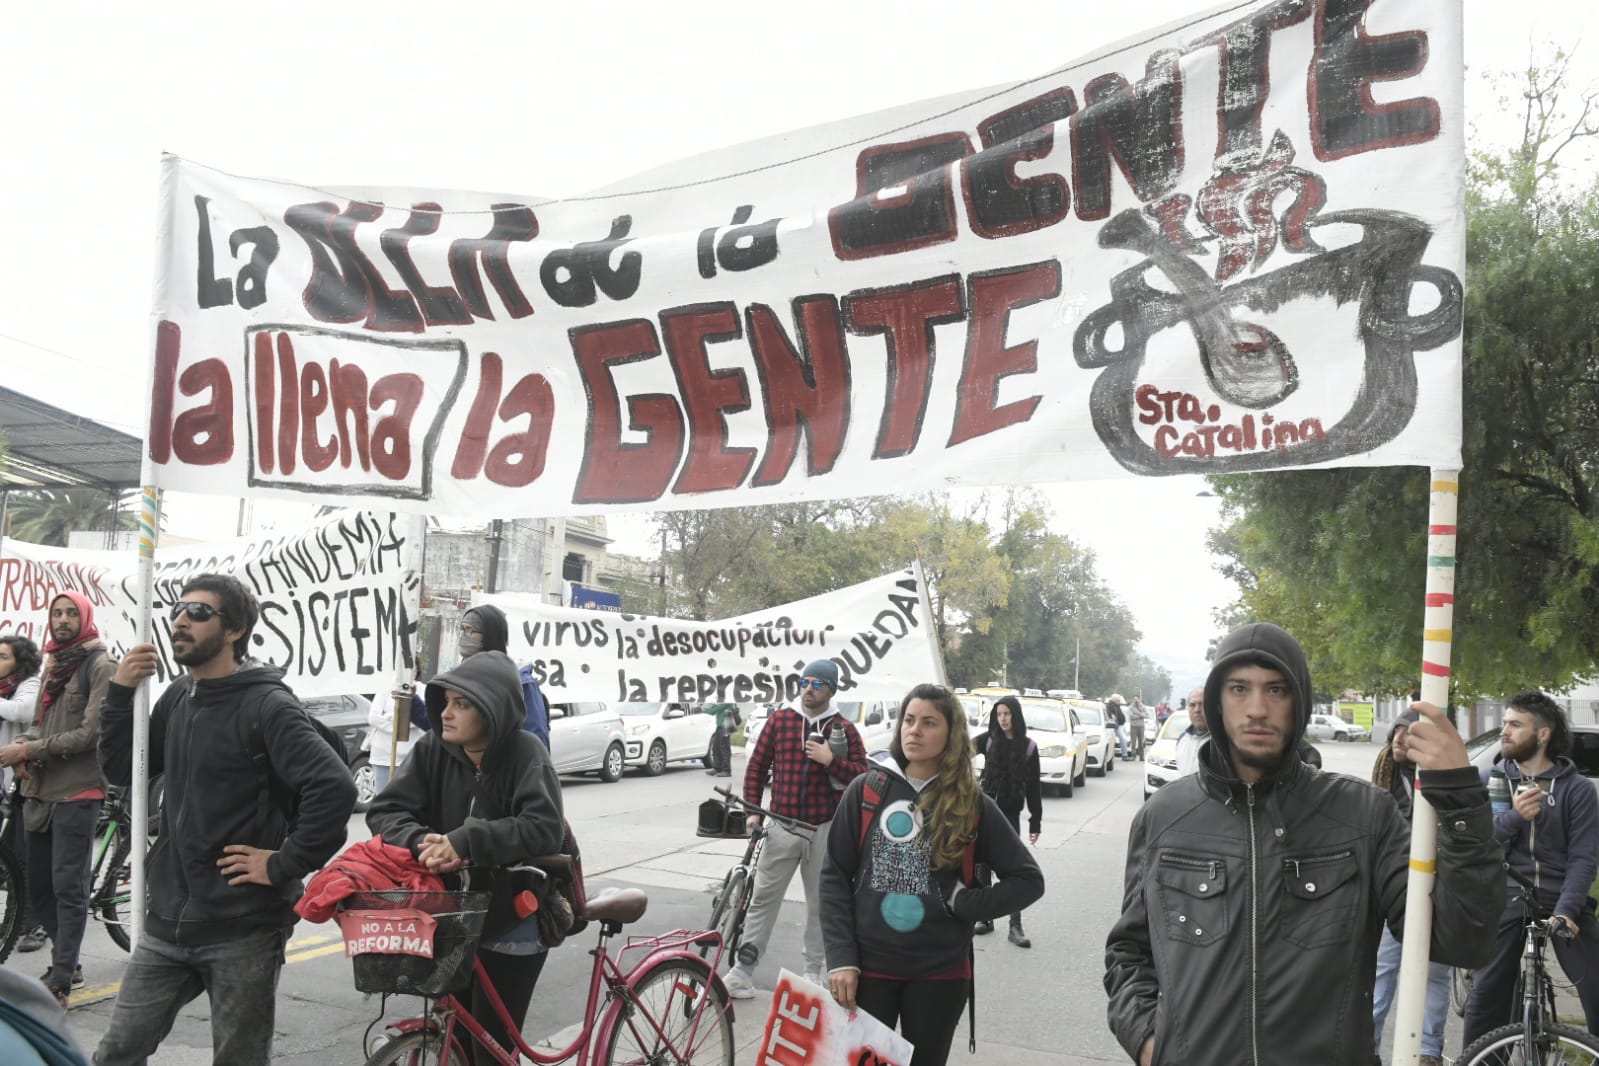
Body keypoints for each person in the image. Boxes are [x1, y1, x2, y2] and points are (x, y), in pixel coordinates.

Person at [1105, 622, 1504, 1066]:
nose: (1257, 708)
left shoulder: (1363, 817)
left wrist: (1462, 802)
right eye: (1240, 689)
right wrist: (1147, 1041)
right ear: (1217, 701)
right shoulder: (1164, 817)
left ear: (1300, 703)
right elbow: (1129, 952)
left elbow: (1460, 943)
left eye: (1276, 690)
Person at [94, 574, 356, 1066]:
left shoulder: (267, 705)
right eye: (178, 609)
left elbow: (335, 787)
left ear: (234, 629)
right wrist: (119, 692)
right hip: (166, 926)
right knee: (116, 1052)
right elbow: (122, 768)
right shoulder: (178, 695)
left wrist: (283, 864)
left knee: (238, 1060)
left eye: (198, 612)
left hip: (244, 930)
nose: (180, 620)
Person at [821, 684, 1044, 1066]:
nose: (914, 731)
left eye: (928, 723)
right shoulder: (866, 790)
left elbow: (1028, 880)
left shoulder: (972, 803)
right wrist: (841, 959)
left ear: (951, 734)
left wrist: (966, 903)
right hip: (868, 970)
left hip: (939, 975)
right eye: (909, 720)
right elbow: (834, 878)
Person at [366, 650, 565, 1066]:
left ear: (491, 710)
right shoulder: (432, 751)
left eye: (461, 704)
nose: (445, 713)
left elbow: (544, 828)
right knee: (453, 1035)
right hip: (449, 913)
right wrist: (422, 842)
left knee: (490, 1050)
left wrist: (467, 840)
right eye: (445, 703)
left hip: (512, 915)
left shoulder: (526, 753)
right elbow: (385, 811)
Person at [727, 659, 869, 998]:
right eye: (805, 682)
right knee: (763, 899)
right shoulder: (781, 721)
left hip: (826, 830)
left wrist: (830, 761)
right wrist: (753, 813)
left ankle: (812, 973)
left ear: (831, 689)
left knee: (822, 905)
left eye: (817, 683)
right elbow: (757, 767)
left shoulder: (844, 729)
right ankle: (742, 970)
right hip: (782, 826)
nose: (808, 689)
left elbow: (865, 777)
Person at [1464, 691, 1599, 1043]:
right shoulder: (1493, 781)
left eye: (1515, 724)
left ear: (1543, 734)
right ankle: (1483, 1058)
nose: (1505, 730)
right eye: (1505, 722)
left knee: (1595, 984)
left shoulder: (1578, 790)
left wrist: (1568, 911)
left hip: (1561, 898)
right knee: (1488, 992)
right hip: (1507, 896)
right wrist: (1515, 818)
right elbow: (1481, 846)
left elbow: (1584, 856)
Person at [0, 592, 114, 1008]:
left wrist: (28, 751)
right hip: (40, 791)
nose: (62, 620)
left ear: (84, 618)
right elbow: (36, 725)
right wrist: (21, 753)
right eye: (56, 613)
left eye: (70, 613)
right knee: (39, 887)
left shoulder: (100, 665)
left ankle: (63, 977)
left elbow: (89, 735)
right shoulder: (53, 664)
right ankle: (71, 961)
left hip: (77, 791)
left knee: (69, 887)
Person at [1369, 709, 1452, 1066]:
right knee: (1384, 967)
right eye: (1397, 732)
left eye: (1409, 732)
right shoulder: (1384, 774)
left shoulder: (1441, 777)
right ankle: (1367, 1044)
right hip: (1397, 885)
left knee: (1434, 970)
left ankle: (1430, 1051)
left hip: (1439, 884)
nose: (1401, 739)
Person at [971, 694, 1042, 947]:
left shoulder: (1029, 747)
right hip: (985, 811)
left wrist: (1036, 822)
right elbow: (960, 751)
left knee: (1012, 868)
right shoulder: (988, 741)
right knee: (982, 865)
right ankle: (985, 917)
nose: (1002, 719)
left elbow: (1034, 787)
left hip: (1010, 813)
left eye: (1007, 714)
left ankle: (1015, 926)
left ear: (1015, 716)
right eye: (999, 714)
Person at [0, 635, 47, 955]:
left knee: (22, 856)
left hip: (25, 784)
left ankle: (33, 924)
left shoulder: (30, 683)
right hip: (5, 786)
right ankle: (14, 920)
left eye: (3, 657)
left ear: (20, 661)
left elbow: (22, 711)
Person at [460, 605, 550, 748]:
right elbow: (445, 730)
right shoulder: (457, 680)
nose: (462, 636)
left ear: (490, 635)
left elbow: (535, 741)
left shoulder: (520, 682)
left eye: (469, 630)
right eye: (461, 629)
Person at [367, 671, 430, 791]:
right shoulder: (386, 688)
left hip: (411, 757)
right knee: (383, 798)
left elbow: (426, 719)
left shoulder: (424, 689)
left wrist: (390, 717)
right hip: (384, 756)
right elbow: (374, 717)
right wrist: (397, 726)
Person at [1173, 686, 1206, 777]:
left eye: (1202, 704)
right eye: (1192, 705)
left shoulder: (1223, 741)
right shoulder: (1182, 739)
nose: (1197, 710)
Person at [705, 702, 739, 778]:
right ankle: (717, 768)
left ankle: (726, 770)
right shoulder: (721, 701)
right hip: (720, 726)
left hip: (726, 726)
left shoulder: (728, 700)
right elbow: (713, 712)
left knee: (724, 748)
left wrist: (705, 709)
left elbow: (714, 710)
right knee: (716, 747)